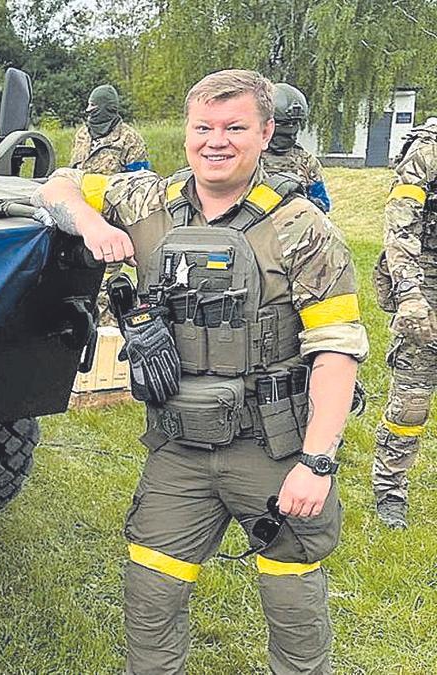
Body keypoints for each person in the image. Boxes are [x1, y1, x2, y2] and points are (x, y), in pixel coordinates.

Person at [33, 69, 366, 673]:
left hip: (273, 448)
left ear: (265, 133)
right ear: (186, 134)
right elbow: (56, 185)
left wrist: (317, 463)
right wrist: (91, 222)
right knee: (151, 596)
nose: (217, 141)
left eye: (235, 127)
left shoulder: (302, 229)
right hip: (178, 448)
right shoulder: (146, 200)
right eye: (203, 127)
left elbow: (336, 351)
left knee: (292, 600)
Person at [371, 117, 437, 529]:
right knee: (410, 402)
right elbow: (400, 228)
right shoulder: (428, 152)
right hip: (427, 284)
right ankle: (390, 489)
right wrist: (411, 295)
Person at [70, 85, 151, 328]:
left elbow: (140, 187)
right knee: (78, 287)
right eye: (89, 107)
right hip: (80, 224)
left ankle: (109, 339)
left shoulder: (129, 139)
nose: (90, 112)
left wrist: (132, 233)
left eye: (95, 107)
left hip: (110, 226)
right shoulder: (82, 135)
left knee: (104, 289)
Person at [262, 82, 332, 212]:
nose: (289, 129)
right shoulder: (249, 155)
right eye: (284, 124)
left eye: (294, 123)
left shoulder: (306, 160)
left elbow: (322, 202)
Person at [69, 84, 150, 175]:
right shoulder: (82, 134)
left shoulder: (131, 139)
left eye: (93, 105)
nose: (88, 110)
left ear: (108, 107)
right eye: (89, 105)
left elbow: (140, 180)